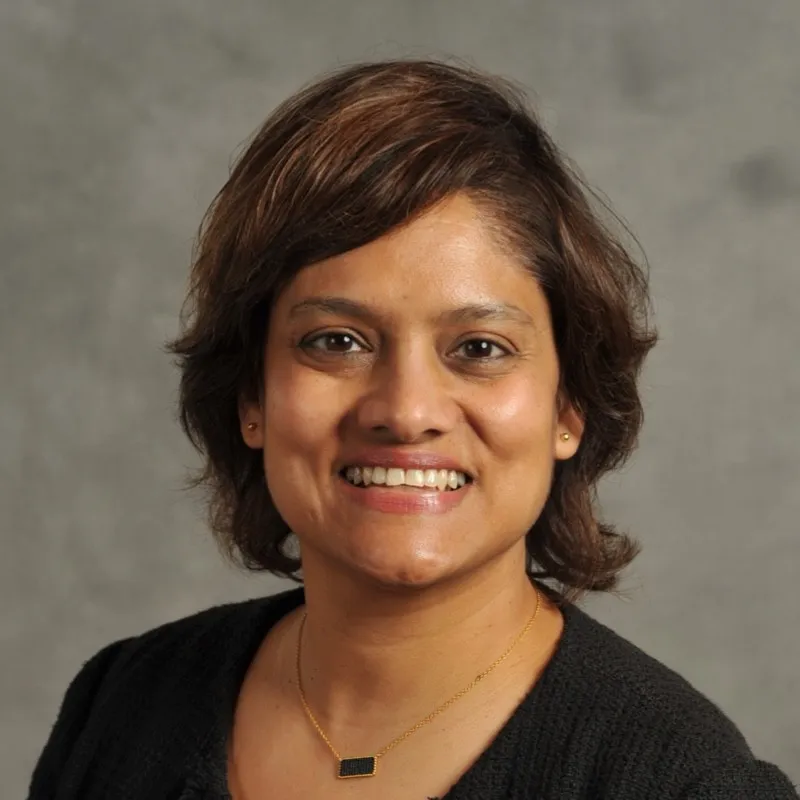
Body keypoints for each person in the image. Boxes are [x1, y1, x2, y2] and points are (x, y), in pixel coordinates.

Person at [28, 59, 798, 800]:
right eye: (336, 341)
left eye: (479, 350)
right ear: (250, 397)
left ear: (569, 410)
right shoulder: (122, 705)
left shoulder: (680, 783)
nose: (405, 411)